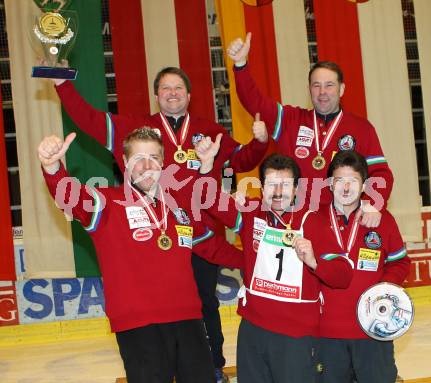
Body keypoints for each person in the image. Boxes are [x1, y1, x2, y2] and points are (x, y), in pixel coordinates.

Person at [51, 66, 269, 382]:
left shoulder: (208, 133)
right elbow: (89, 126)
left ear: (189, 95)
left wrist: (259, 143)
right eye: (165, 87)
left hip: (187, 258)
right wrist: (61, 87)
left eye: (178, 87)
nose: (172, 92)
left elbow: (237, 167)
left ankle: (216, 364)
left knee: (206, 308)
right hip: (141, 306)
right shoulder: (131, 147)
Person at [38, 127, 243, 383]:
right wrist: (53, 168)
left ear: (163, 162)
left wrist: (254, 262)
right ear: (124, 163)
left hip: (189, 318)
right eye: (138, 159)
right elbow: (72, 197)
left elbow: (210, 247)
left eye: (154, 158)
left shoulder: (177, 205)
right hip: (139, 324)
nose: (147, 166)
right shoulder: (106, 204)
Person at [193, 122, 354, 383]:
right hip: (253, 331)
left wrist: (314, 261)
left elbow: (343, 276)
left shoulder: (315, 220)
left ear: (297, 189)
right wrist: (207, 166)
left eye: (285, 185)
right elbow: (209, 201)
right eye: (271, 185)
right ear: (261, 186)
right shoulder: (251, 212)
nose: (278, 193)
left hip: (297, 335)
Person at [226, 33, 394, 228]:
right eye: (317, 86)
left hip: (341, 225)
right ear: (309, 90)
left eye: (329, 85)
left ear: (341, 89)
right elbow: (254, 102)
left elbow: (381, 173)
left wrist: (374, 204)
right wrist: (240, 64)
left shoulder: (361, 128)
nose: (322, 92)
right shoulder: (290, 120)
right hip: (296, 225)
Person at [315, 150, 410, 383]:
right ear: (329, 184)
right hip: (326, 334)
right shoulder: (313, 221)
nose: (345, 188)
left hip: (373, 331)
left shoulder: (382, 220)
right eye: (339, 181)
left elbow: (400, 261)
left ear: (364, 185)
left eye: (353, 181)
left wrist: (382, 290)